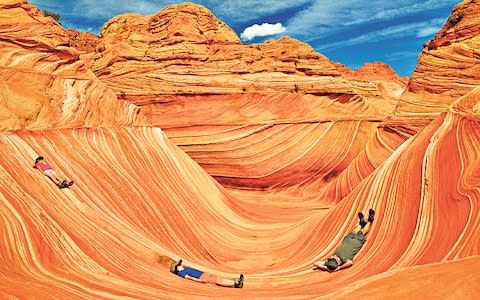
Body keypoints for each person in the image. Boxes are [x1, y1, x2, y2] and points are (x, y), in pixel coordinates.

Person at [170, 259, 244, 288]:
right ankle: (236, 284)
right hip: (203, 277)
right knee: (218, 281)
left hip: (204, 274)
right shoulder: (182, 273)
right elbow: (190, 278)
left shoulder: (184, 269)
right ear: (177, 269)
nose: (181, 265)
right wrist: (202, 281)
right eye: (179, 265)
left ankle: (236, 282)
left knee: (219, 279)